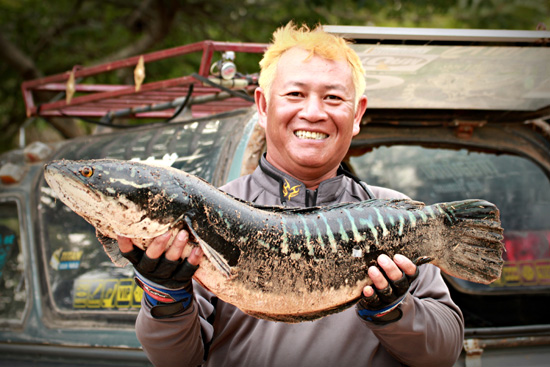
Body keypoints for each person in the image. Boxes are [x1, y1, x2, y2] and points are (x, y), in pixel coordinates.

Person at [117, 22, 464, 367]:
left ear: (356, 113)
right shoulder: (208, 213)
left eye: (333, 97)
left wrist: (396, 310)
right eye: (295, 94)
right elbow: (177, 360)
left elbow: (444, 353)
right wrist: (166, 298)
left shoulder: (398, 218)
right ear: (263, 106)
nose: (313, 113)